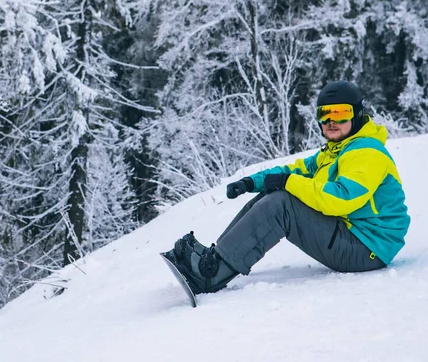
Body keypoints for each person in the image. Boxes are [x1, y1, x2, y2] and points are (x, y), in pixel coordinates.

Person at [163, 80, 410, 294]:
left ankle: (211, 274)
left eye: (340, 114)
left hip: (367, 249)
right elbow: (295, 171)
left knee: (283, 204)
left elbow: (341, 199)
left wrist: (287, 183)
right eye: (325, 115)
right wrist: (253, 181)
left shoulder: (367, 153)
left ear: (357, 114)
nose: (331, 122)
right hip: (352, 236)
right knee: (275, 192)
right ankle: (215, 260)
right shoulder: (337, 151)